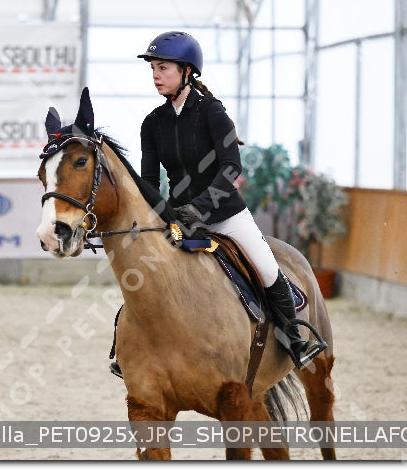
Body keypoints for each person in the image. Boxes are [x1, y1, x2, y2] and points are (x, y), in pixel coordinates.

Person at [109, 31, 326, 379]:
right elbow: (150, 181)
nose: (155, 75)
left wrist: (200, 208)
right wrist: (157, 216)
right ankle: (129, 348)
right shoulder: (152, 123)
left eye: (162, 67)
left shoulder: (211, 112)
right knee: (146, 274)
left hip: (225, 216)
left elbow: (231, 167)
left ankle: (295, 341)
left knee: (269, 271)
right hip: (179, 220)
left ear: (187, 72)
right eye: (153, 68)